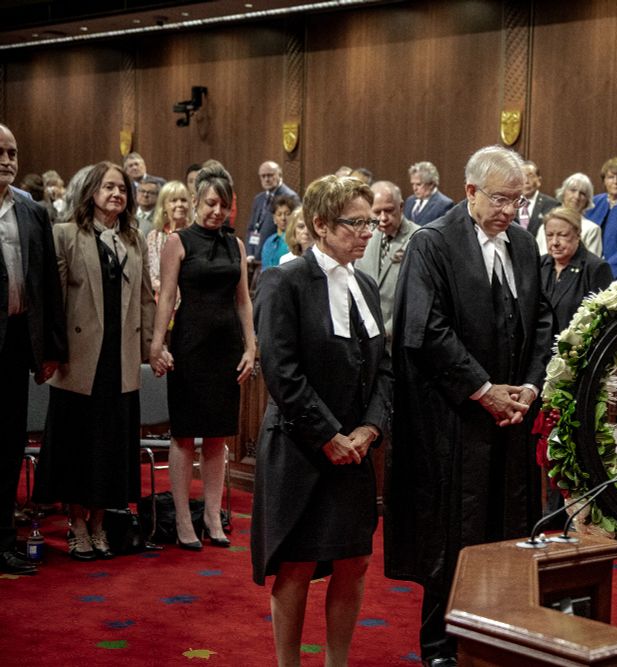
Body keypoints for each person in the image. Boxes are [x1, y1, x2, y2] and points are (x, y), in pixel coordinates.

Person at [385, 145, 553, 667]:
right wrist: (483, 390)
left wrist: (527, 387)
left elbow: (542, 319)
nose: (510, 211)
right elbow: (425, 330)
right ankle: (442, 649)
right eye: (501, 200)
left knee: (508, 532)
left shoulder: (523, 245)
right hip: (453, 422)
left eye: (518, 202)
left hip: (511, 418)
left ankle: (500, 639)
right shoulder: (433, 243)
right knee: (455, 536)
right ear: (471, 192)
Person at [251, 175, 392, 667]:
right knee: (296, 566)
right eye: (355, 223)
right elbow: (281, 371)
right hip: (300, 448)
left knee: (354, 562)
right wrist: (328, 434)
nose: (367, 232)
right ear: (319, 225)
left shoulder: (366, 286)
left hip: (354, 451)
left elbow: (384, 369)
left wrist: (369, 429)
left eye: (370, 222)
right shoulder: (283, 281)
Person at [33, 160, 156, 560]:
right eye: (108, 187)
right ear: (91, 192)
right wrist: (51, 351)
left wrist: (154, 345)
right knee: (76, 447)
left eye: (122, 188)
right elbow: (54, 301)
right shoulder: (65, 234)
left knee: (111, 448)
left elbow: (145, 298)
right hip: (79, 361)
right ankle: (77, 524)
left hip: (120, 362)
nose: (117, 194)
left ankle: (101, 523)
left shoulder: (133, 239)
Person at [148, 164, 255, 550]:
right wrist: (157, 344)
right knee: (184, 435)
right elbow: (166, 300)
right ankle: (181, 517)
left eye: (223, 205)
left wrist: (251, 345)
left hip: (226, 347)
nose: (216, 211)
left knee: (217, 436)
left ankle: (212, 514)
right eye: (210, 203)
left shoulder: (236, 245)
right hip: (190, 344)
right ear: (196, 201)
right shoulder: (178, 242)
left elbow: (243, 300)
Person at [0, 124, 66, 575]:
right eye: (0, 152)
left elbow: (47, 285)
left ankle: (5, 541)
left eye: (13, 151)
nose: (8, 160)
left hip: (16, 346)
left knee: (8, 446)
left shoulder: (31, 210)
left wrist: (51, 349)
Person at [355, 180, 418, 342]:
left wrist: (387, 331)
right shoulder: (366, 237)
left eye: (389, 210)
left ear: (401, 207)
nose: (383, 218)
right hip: (367, 339)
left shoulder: (418, 238)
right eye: (377, 212)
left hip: (399, 340)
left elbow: (417, 296)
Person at [540, 206, 612, 334]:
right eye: (549, 235)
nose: (555, 242)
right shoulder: (539, 265)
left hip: (577, 350)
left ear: (578, 235)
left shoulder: (595, 268)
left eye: (562, 235)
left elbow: (606, 321)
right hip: (541, 351)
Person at [246, 161, 299, 267]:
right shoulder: (259, 199)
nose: (266, 179)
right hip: (256, 257)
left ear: (279, 175)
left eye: (270, 175)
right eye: (263, 176)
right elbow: (252, 228)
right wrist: (250, 252)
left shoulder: (290, 197)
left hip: (278, 253)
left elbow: (295, 227)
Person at [536, 172, 603, 256]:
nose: (577, 196)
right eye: (573, 190)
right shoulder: (546, 226)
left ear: (587, 200)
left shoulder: (592, 229)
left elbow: (593, 265)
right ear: (563, 193)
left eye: (582, 193)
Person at [146, 181, 192, 296]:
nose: (179, 204)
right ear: (164, 206)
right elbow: (151, 275)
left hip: (190, 300)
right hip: (161, 300)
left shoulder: (196, 235)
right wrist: (170, 293)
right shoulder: (154, 236)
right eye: (173, 200)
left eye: (183, 200)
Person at [403, 161, 453, 225]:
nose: (414, 188)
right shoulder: (409, 201)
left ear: (431, 184)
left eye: (418, 184)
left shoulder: (444, 204)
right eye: (413, 184)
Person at [518, 160, 559, 235]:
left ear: (539, 180)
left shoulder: (552, 205)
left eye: (530, 176)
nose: (526, 181)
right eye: (522, 176)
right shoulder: (511, 203)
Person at [260, 195, 296, 270]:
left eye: (287, 214)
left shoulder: (295, 241)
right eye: (279, 214)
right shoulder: (268, 242)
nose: (283, 218)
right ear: (274, 218)